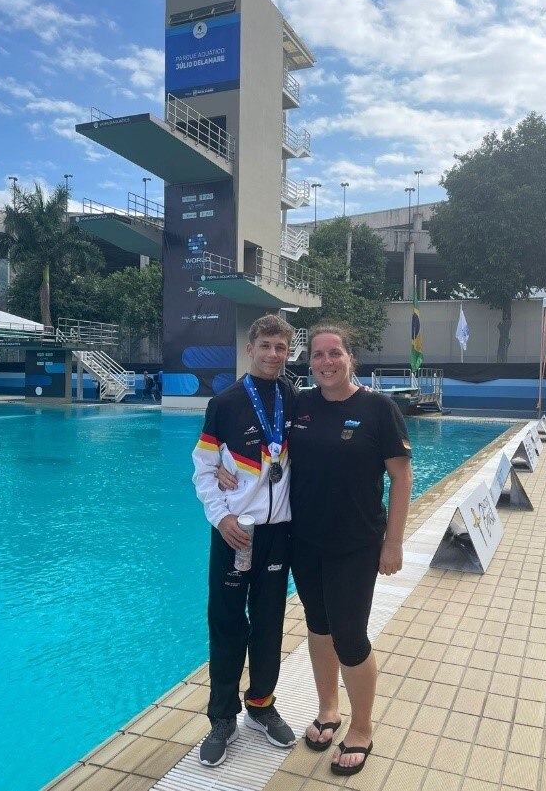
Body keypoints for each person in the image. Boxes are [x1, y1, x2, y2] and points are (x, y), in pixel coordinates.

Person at [218, 323, 412, 777]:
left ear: (350, 358)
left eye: (335, 354)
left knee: (350, 636)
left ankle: (361, 729)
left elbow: (401, 477)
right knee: (319, 627)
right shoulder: (300, 404)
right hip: (304, 541)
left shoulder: (378, 409)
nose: (325, 362)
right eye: (318, 355)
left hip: (356, 544)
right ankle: (329, 710)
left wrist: (394, 541)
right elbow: (249, 434)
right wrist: (221, 469)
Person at [192, 314, 299, 767]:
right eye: (267, 345)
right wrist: (221, 518)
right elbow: (202, 469)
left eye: (282, 347)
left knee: (270, 623)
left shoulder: (296, 400)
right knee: (228, 623)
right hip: (236, 532)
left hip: (279, 534)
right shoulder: (226, 402)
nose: (274, 354)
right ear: (251, 347)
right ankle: (222, 718)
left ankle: (261, 705)